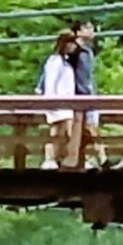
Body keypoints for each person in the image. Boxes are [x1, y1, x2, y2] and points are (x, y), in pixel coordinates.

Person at [39, 30, 82, 170]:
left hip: (66, 104)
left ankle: (58, 159)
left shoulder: (65, 62)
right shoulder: (55, 61)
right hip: (57, 103)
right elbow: (50, 83)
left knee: (64, 134)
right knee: (56, 132)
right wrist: (51, 102)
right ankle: (50, 159)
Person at [72, 19, 109, 170]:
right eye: (87, 28)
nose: (91, 30)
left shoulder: (88, 51)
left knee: (89, 128)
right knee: (89, 128)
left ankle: (91, 159)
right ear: (79, 32)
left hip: (88, 95)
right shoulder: (74, 51)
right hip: (79, 97)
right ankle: (102, 159)